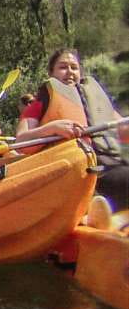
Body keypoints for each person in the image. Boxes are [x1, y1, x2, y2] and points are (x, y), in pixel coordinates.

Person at [15, 48, 129, 212]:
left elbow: (123, 131)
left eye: (74, 67)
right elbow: (21, 142)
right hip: (78, 174)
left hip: (112, 165)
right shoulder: (39, 103)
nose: (69, 72)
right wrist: (52, 128)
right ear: (51, 73)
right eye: (63, 67)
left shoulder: (97, 102)